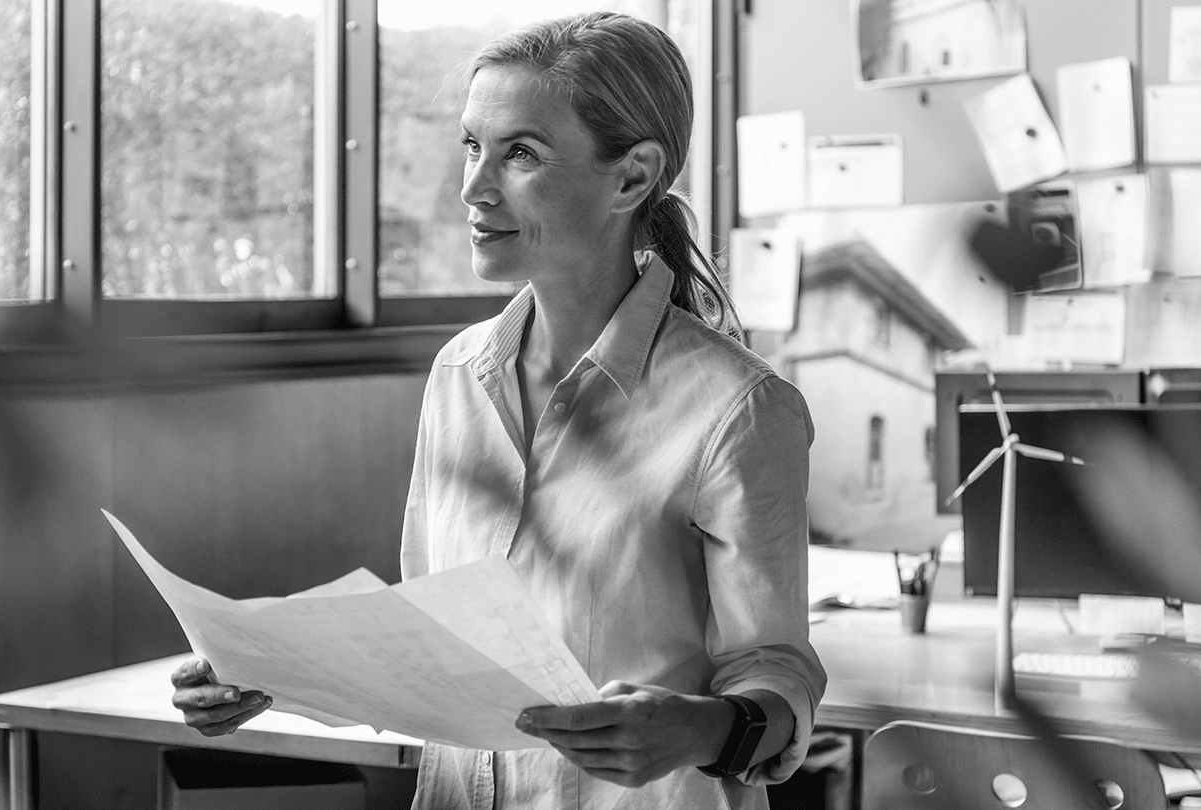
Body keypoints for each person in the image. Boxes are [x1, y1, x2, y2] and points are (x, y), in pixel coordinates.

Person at [171, 11, 825, 809]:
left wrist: (698, 730)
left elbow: (777, 670)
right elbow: (428, 647)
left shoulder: (740, 408)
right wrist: (270, 675)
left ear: (632, 177)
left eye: (520, 153)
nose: (473, 188)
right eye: (472, 146)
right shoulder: (458, 375)